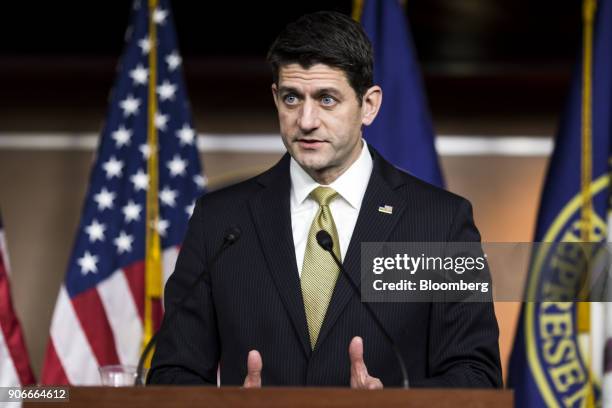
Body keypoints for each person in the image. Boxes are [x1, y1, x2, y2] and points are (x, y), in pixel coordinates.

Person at [148, 10, 502, 388]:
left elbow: (477, 377)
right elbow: (172, 373)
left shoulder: (439, 224)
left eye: (327, 99)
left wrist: (394, 401)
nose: (306, 120)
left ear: (369, 105)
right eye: (292, 98)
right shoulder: (219, 220)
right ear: (275, 98)